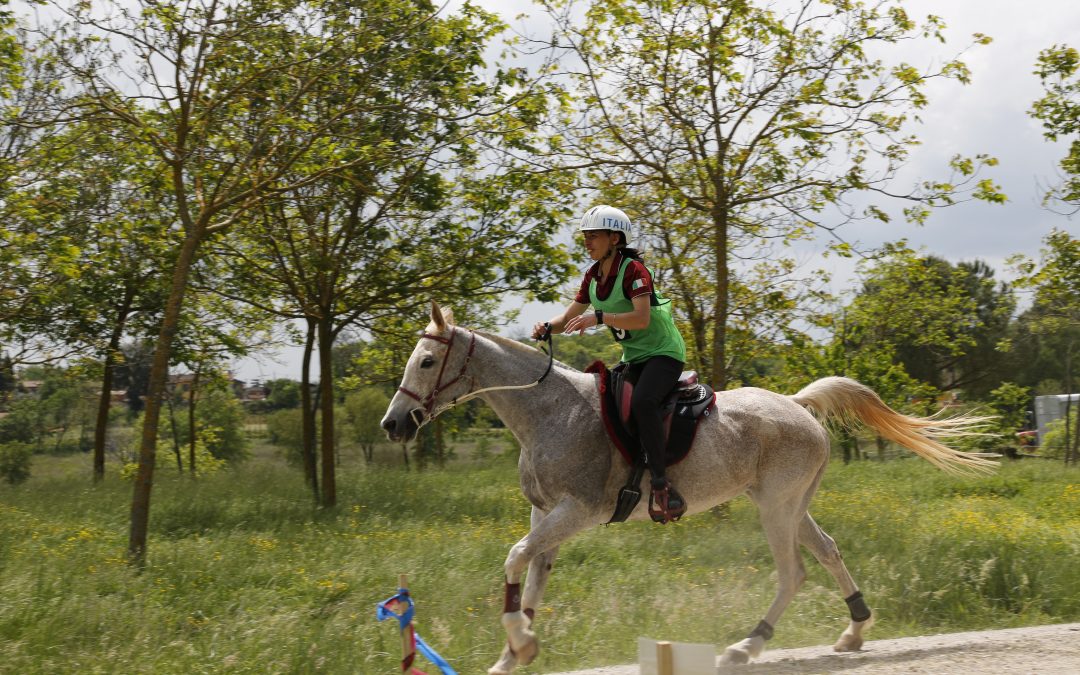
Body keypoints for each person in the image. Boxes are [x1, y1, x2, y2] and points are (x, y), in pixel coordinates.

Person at [533, 205, 689, 521]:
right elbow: (568, 318)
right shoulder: (593, 276)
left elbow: (642, 319)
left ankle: (662, 486)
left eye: (594, 236)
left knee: (645, 402)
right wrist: (548, 327)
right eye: (586, 236)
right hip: (633, 357)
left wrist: (600, 317)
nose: (587, 242)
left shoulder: (634, 271)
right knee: (604, 402)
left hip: (664, 354)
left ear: (614, 238)